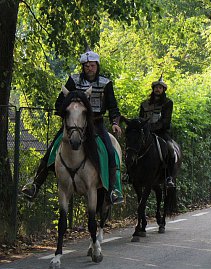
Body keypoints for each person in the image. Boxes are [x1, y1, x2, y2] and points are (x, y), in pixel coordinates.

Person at [21, 50, 123, 204]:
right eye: (86, 65)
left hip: (96, 123)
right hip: (73, 124)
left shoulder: (106, 83)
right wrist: (69, 113)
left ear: (97, 66)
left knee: (110, 151)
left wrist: (115, 123)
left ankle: (114, 189)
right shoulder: (73, 81)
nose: (89, 68)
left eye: (92, 65)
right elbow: (59, 103)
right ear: (83, 67)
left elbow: (113, 106)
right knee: (51, 150)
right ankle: (35, 185)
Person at [139, 75, 176, 188]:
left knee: (170, 149)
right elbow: (140, 118)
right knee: (134, 147)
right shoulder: (144, 104)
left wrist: (152, 128)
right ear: (153, 88)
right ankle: (130, 174)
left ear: (163, 90)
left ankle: (169, 177)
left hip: (161, 133)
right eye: (156, 87)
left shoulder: (168, 103)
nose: (157, 89)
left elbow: (165, 121)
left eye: (160, 88)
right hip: (146, 133)